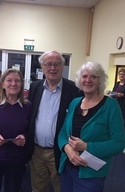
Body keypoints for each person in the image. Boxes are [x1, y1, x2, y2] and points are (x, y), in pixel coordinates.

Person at [58, 62, 125, 192]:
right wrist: (68, 149)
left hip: (91, 174)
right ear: (79, 80)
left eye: (93, 77)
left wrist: (86, 146)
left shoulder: (111, 106)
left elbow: (119, 143)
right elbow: (62, 133)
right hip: (67, 167)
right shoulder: (75, 102)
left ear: (100, 80)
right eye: (84, 76)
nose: (88, 80)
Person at [26, 50, 82, 192]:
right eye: (48, 64)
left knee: (61, 188)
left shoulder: (74, 89)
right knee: (38, 188)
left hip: (60, 151)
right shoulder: (35, 87)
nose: (52, 68)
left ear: (62, 67)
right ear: (42, 67)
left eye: (57, 64)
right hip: (37, 151)